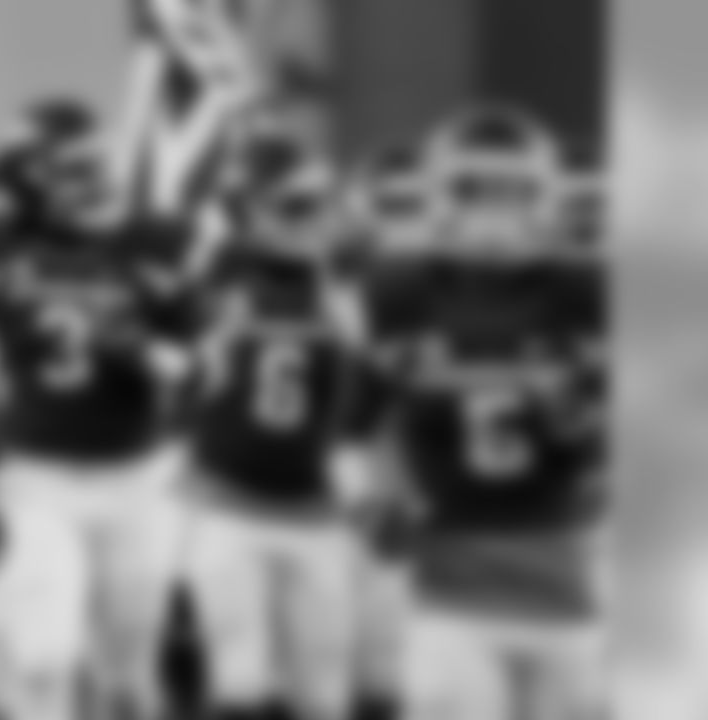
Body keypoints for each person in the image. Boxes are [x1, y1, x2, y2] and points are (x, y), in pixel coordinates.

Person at [366, 107, 608, 720]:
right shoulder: (400, 285)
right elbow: (366, 417)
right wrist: (381, 489)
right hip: (452, 575)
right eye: (474, 189)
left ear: (545, 193)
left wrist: (574, 413)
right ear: (440, 193)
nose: (493, 210)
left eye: (512, 190)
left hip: (567, 565)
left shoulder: (584, 288)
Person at [0, 128, 200, 720]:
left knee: (129, 668)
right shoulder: (4, 256)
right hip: (37, 475)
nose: (92, 188)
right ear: (41, 189)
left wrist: (139, 349)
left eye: (98, 174)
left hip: (137, 472)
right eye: (73, 176)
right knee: (47, 649)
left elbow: (197, 365)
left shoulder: (149, 257)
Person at [180, 149, 375, 720]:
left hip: (320, 512)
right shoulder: (220, 285)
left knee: (324, 693)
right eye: (298, 205)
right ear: (251, 214)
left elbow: (371, 403)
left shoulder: (347, 290)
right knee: (239, 684)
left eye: (326, 204)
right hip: (229, 506)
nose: (318, 219)